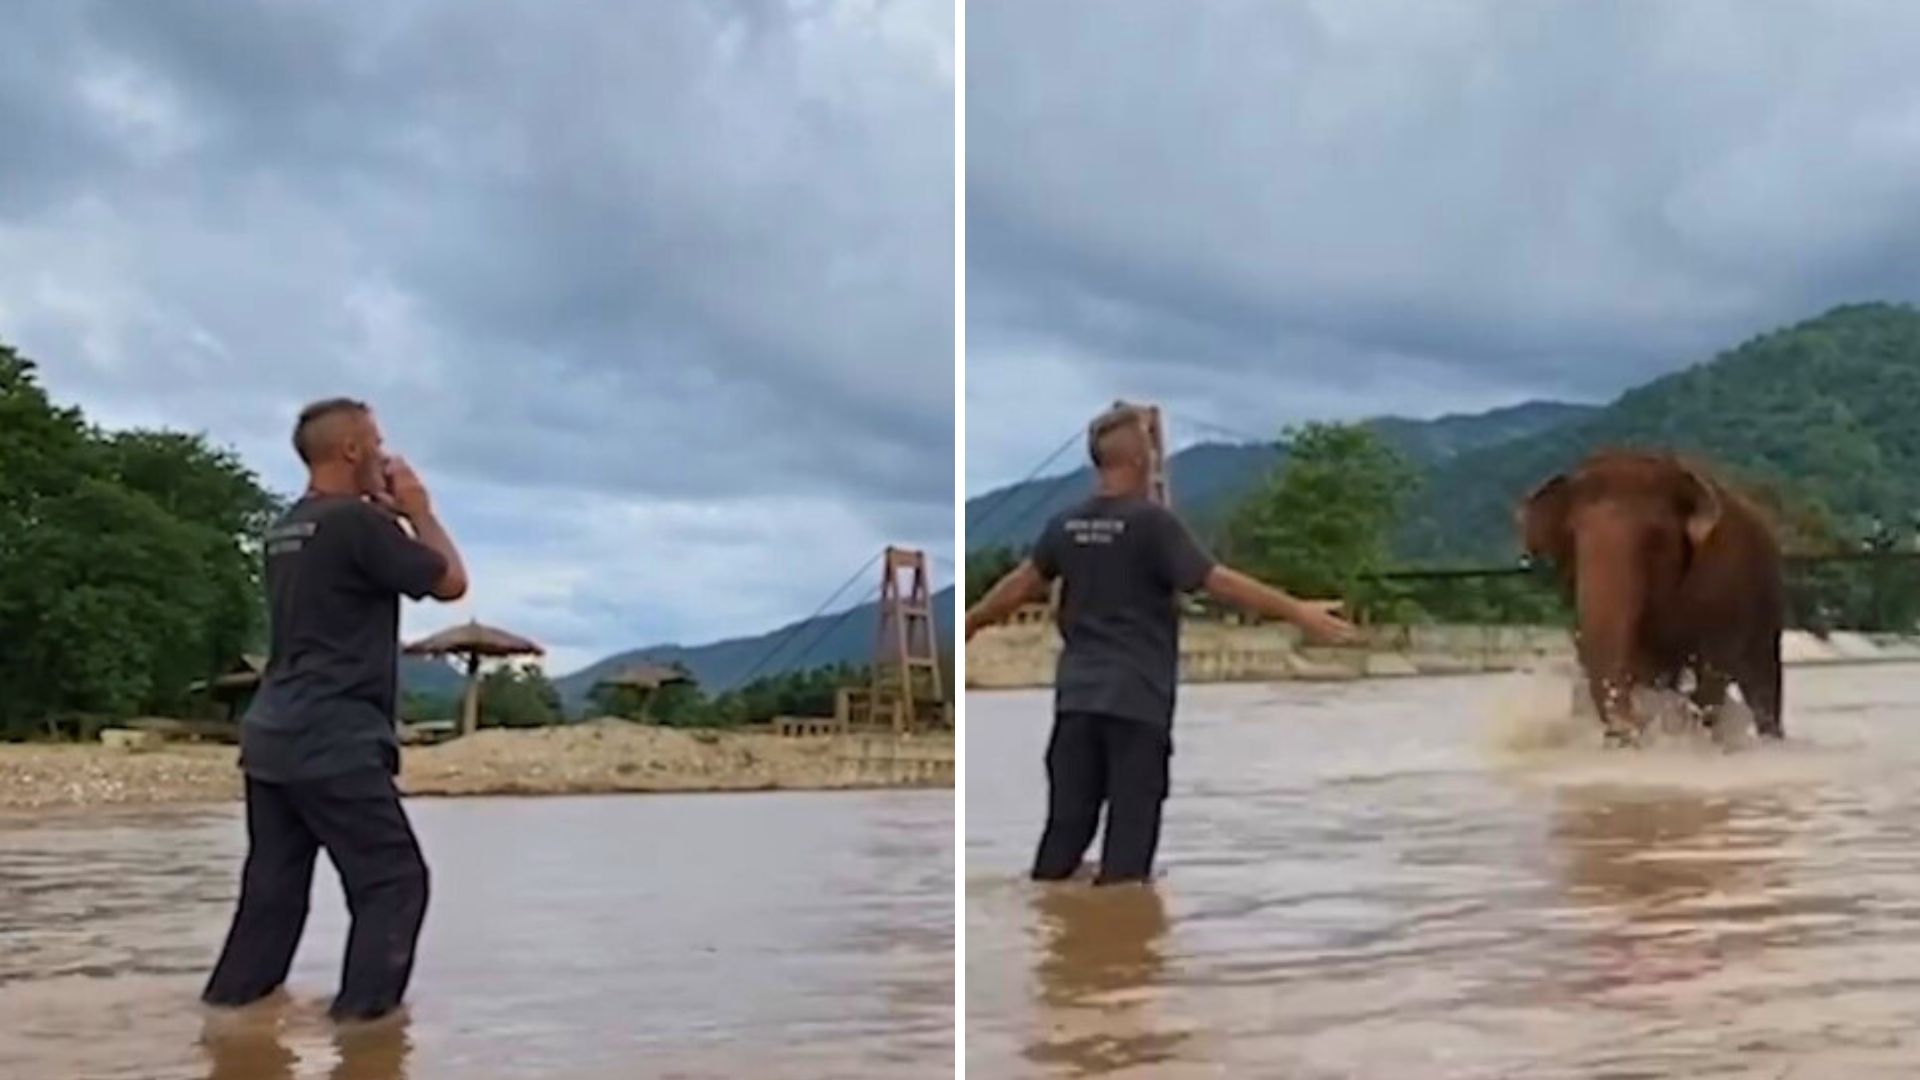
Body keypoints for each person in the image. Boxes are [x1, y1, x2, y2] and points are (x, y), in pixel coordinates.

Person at [966, 403, 1359, 886]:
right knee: (1128, 860)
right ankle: (1123, 953)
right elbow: (1218, 581)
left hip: (1076, 706)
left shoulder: (1063, 526)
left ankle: (1052, 945)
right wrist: (1297, 610)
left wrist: (972, 622)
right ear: (1141, 461)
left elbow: (1020, 584)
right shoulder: (1153, 525)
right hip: (1138, 704)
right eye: (1151, 451)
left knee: (1061, 843)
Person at [202, 397, 468, 1023]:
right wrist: (419, 512)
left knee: (272, 894)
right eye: (376, 442)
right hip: (335, 737)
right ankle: (365, 1035)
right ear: (351, 450)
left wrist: (384, 511)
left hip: (272, 736)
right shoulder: (359, 525)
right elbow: (451, 582)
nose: (385, 453)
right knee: (394, 882)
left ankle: (229, 1022)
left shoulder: (285, 526)